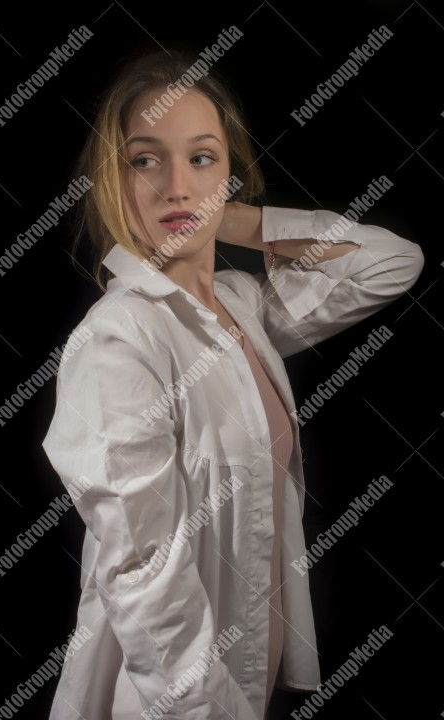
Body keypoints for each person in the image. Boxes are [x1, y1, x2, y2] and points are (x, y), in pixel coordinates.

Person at [42, 49, 424, 720]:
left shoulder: (240, 306)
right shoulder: (120, 338)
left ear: (231, 173)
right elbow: (144, 575)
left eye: (202, 158)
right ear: (114, 177)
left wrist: (246, 224)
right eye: (145, 159)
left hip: (254, 681)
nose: (177, 188)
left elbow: (392, 263)